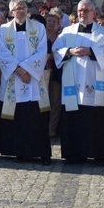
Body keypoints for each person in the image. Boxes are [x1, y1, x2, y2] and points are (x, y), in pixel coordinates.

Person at [53, 0, 104, 164]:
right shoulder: (67, 32)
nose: (83, 13)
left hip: (96, 87)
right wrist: (69, 51)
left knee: (96, 119)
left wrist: (91, 51)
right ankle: (74, 153)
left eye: (87, 10)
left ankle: (99, 154)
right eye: (80, 10)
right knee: (74, 118)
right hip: (73, 86)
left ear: (94, 13)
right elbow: (56, 50)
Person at [0, 0, 51, 164]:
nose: (21, 11)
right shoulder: (4, 30)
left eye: (23, 8)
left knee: (36, 117)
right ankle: (20, 151)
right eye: (17, 8)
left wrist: (27, 69)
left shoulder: (38, 27)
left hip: (33, 80)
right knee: (18, 117)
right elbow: (2, 52)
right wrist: (18, 70)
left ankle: (42, 152)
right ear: (11, 12)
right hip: (14, 77)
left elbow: (43, 50)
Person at [45, 8, 63, 138]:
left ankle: (51, 130)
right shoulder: (40, 36)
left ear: (58, 24)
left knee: (55, 102)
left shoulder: (62, 38)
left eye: (54, 21)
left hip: (56, 74)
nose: (51, 23)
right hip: (42, 73)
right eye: (49, 21)